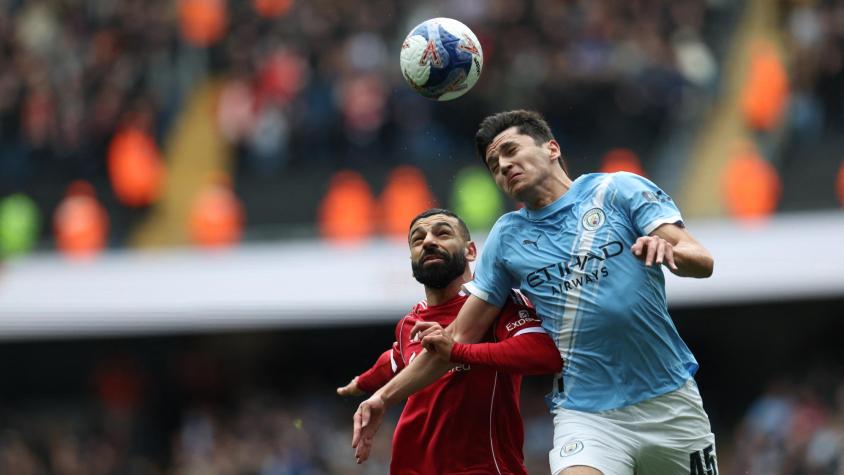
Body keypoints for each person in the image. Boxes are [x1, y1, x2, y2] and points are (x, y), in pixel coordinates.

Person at [353, 110, 719, 475]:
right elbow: (456, 338)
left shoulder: (617, 190)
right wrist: (383, 397)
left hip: (669, 403)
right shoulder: (508, 237)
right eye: (494, 164)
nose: (504, 166)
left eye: (511, 150)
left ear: (552, 148)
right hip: (588, 413)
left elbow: (701, 260)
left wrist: (671, 252)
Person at [340, 207, 563, 474]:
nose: (429, 241)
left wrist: (457, 351)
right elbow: (394, 360)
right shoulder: (410, 323)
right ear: (412, 263)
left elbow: (543, 354)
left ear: (470, 251)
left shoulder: (497, 304)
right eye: (417, 239)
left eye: (442, 233)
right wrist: (361, 383)